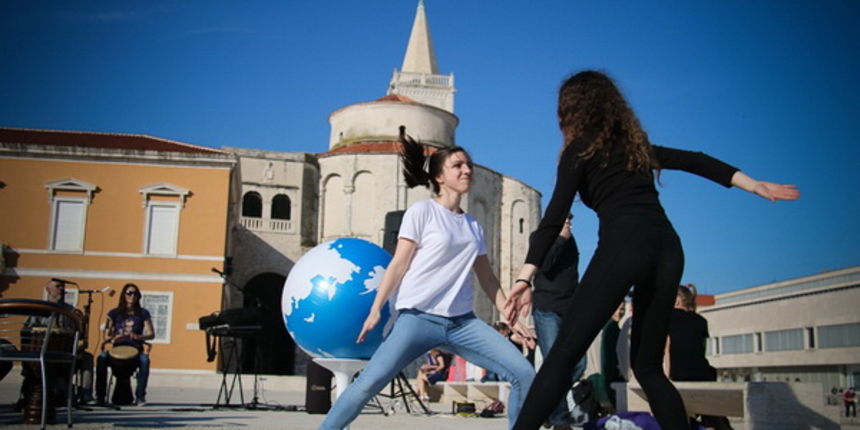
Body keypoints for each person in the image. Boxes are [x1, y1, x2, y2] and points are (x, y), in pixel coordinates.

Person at [505, 70, 800, 430]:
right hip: (667, 249)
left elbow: (552, 220)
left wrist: (525, 277)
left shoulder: (580, 151)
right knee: (647, 368)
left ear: (571, 111)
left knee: (561, 357)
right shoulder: (637, 150)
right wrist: (752, 184)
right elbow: (696, 160)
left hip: (625, 245)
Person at [318, 132, 536, 430]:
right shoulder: (422, 212)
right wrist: (376, 308)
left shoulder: (473, 225)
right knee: (368, 384)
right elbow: (398, 264)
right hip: (418, 319)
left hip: (463, 323)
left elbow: (487, 277)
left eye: (468, 165)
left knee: (523, 373)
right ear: (439, 177)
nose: (467, 170)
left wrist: (510, 317)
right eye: (458, 165)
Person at [531, 213, 583, 430]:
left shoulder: (572, 241)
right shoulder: (539, 237)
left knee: (579, 363)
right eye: (564, 220)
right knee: (554, 364)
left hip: (569, 309)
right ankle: (559, 419)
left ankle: (544, 405)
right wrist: (560, 239)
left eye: (570, 220)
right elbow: (543, 266)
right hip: (547, 308)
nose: (568, 224)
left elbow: (572, 275)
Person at [665, 284, 732, 430]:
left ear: (676, 301)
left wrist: (667, 378)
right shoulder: (701, 321)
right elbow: (701, 352)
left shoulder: (668, 318)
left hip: (680, 376)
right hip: (703, 376)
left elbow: (668, 349)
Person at [95, 283, 154, 406]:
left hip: (135, 350)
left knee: (144, 360)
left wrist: (138, 337)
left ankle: (140, 396)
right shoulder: (114, 313)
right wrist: (114, 338)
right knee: (102, 358)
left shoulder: (143, 313)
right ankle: (100, 396)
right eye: (129, 293)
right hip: (117, 349)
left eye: (135, 293)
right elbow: (106, 335)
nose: (132, 296)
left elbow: (151, 334)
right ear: (124, 295)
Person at [600, 301, 626, 409]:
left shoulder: (609, 327)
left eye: (622, 309)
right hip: (611, 381)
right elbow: (609, 361)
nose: (619, 312)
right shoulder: (611, 328)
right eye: (616, 308)